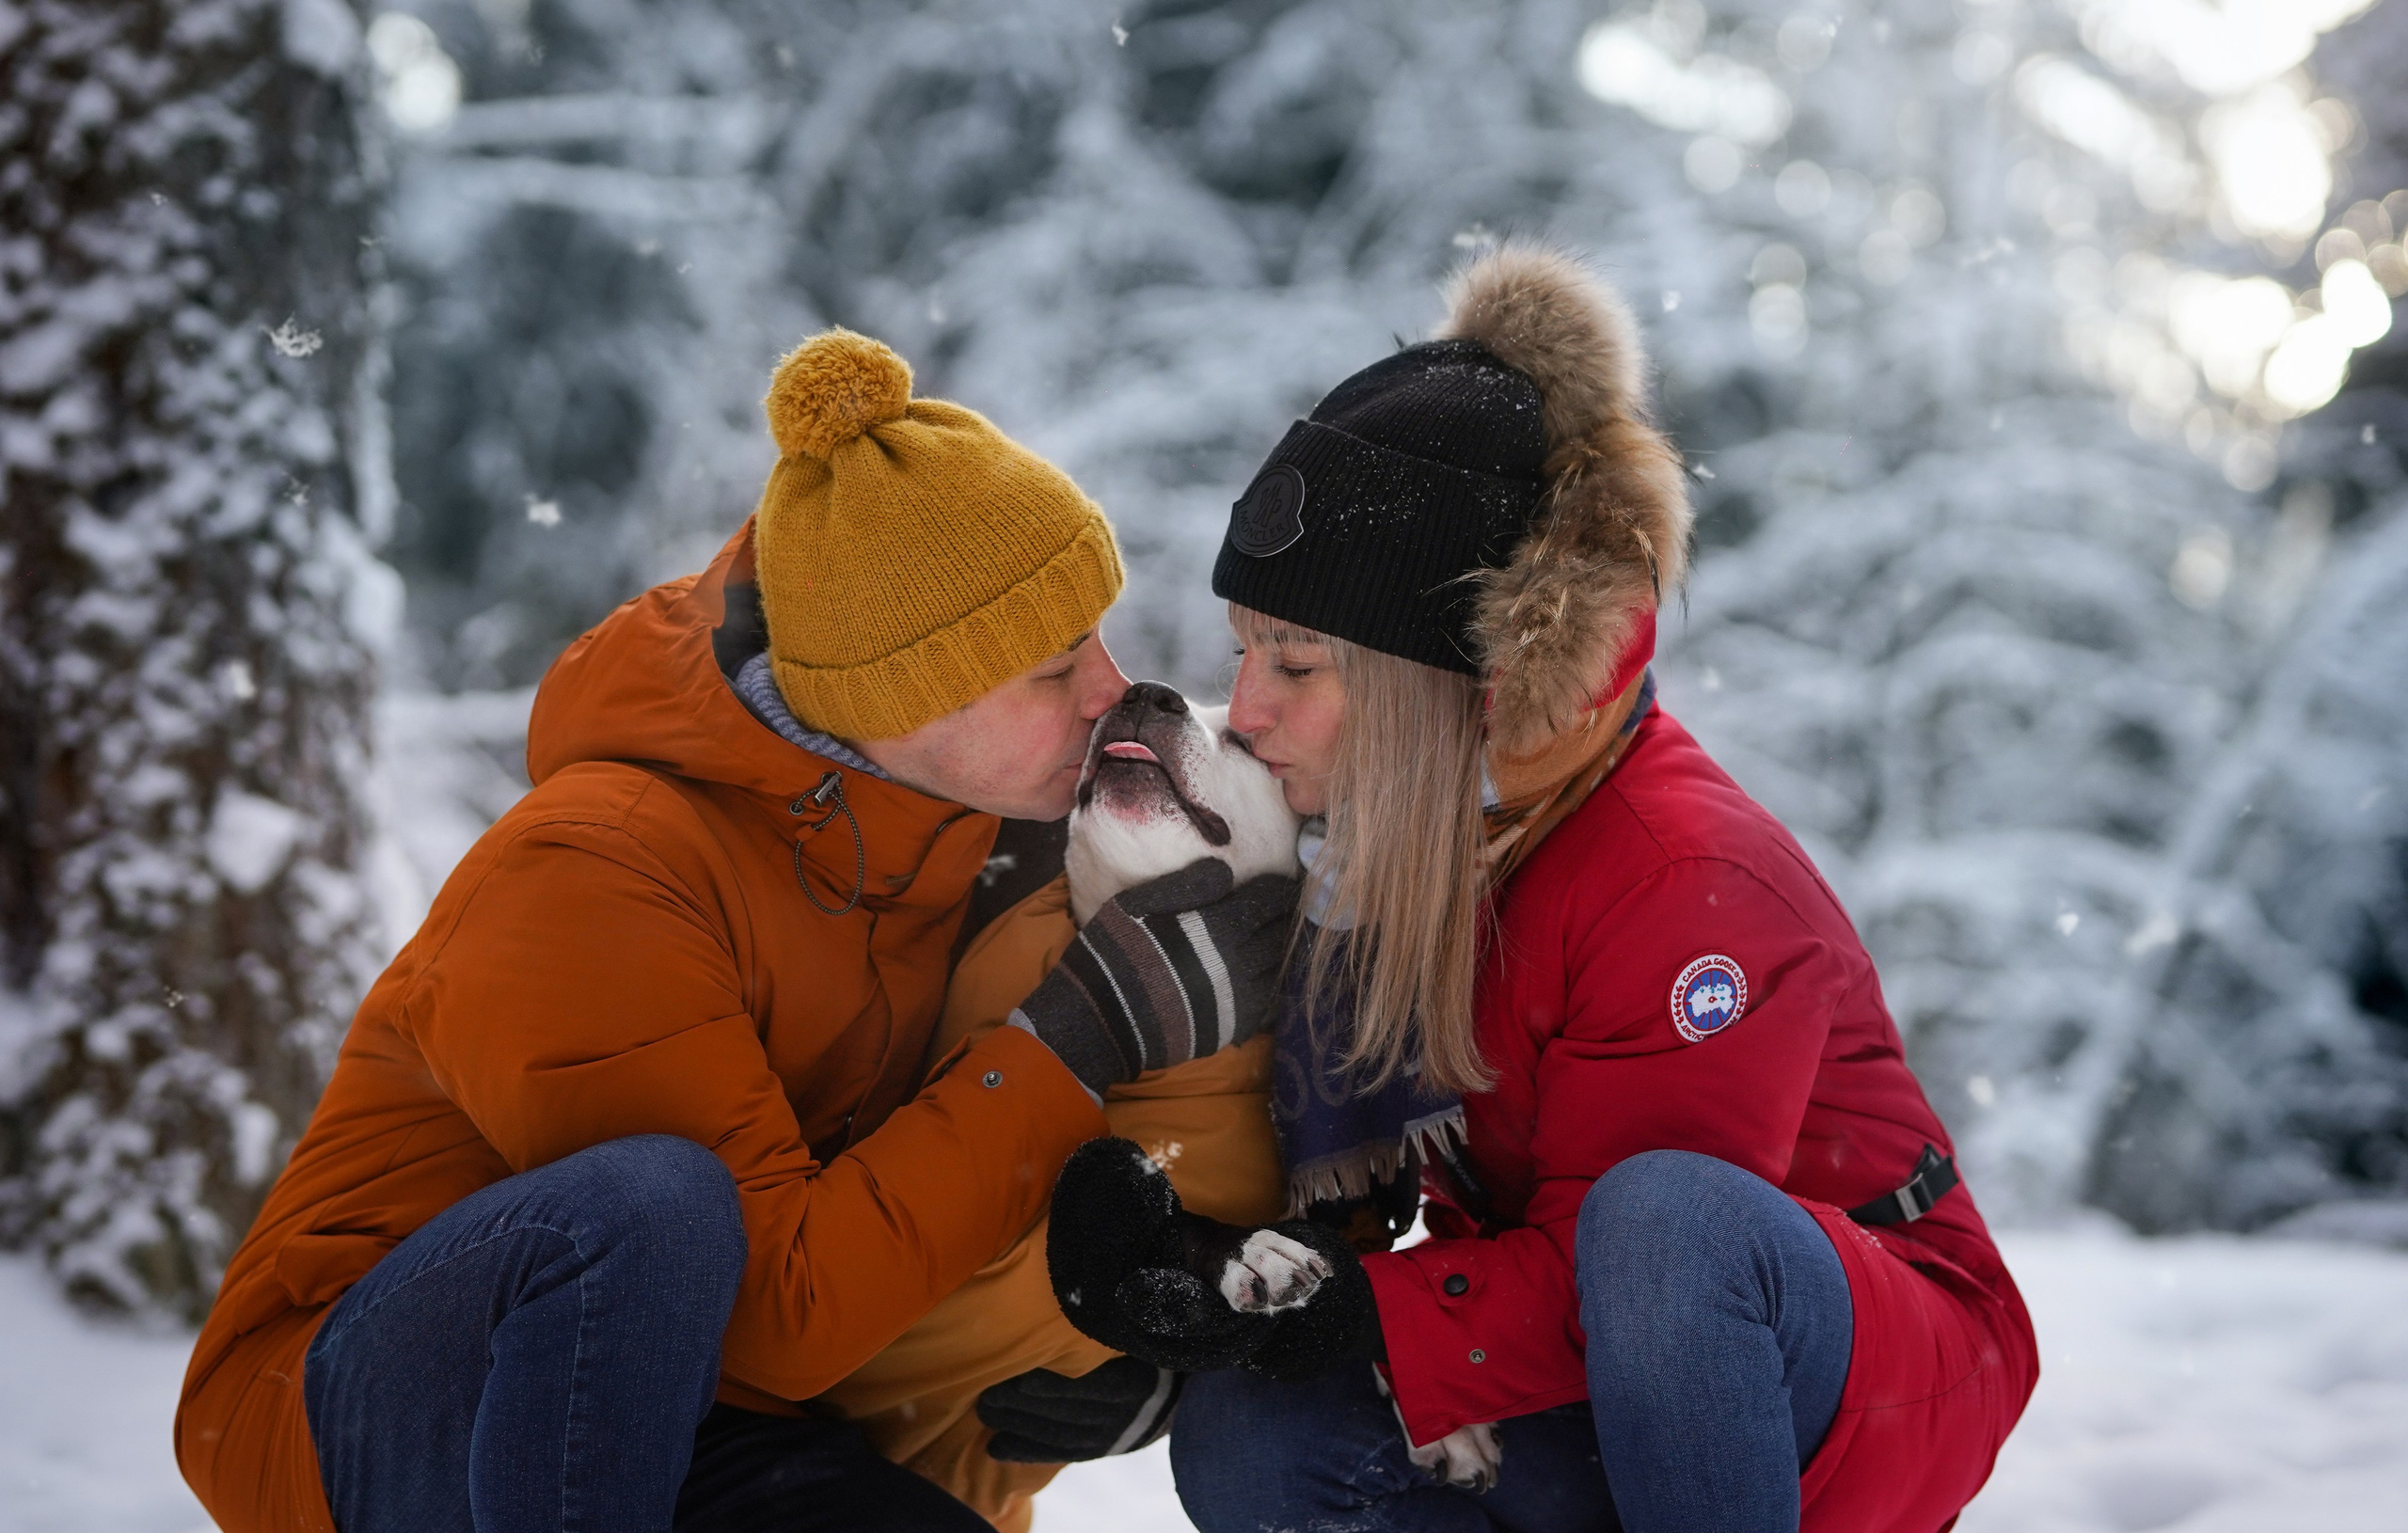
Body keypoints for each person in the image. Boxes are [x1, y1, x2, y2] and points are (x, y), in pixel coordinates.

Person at [174, 328, 1297, 1533]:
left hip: (718, 1404)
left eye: (1100, 640)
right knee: (657, 1204)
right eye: (1051, 667)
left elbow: (1011, 1160)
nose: (1106, 690)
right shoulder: (592, 865)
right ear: (895, 696)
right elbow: (779, 1309)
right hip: (383, 1409)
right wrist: (1080, 1030)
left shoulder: (974, 833)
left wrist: (1146, 1344)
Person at [1043, 245, 2040, 1533]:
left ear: (1445, 684)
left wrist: (1373, 1313)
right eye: (1245, 654)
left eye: (1296, 663)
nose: (1246, 710)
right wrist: (1207, 1254)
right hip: (1587, 1362)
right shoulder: (1427, 828)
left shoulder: (1686, 881)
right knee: (1259, 1429)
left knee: (1664, 1221)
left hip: (1845, 1381)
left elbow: (1651, 1275)